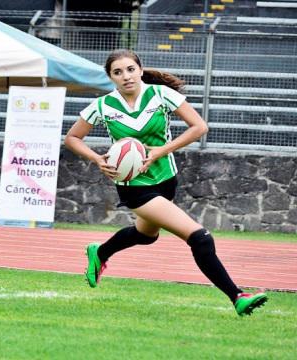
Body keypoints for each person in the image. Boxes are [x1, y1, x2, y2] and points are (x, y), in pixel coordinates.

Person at [64, 49, 267, 316]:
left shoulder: (162, 95)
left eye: (130, 69)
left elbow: (199, 127)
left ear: (139, 69)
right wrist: (97, 159)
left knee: (146, 235)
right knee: (200, 238)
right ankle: (238, 296)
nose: (125, 76)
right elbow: (72, 137)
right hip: (135, 187)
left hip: (167, 180)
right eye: (117, 72)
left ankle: (100, 252)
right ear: (110, 77)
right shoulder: (102, 106)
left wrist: (161, 151)